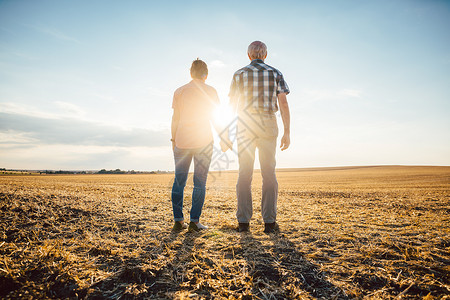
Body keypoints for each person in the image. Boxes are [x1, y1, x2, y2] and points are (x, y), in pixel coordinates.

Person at [227, 41, 291, 233]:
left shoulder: (239, 74)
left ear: (248, 56)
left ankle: (243, 222)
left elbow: (231, 105)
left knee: (244, 173)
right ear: (265, 55)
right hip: (268, 123)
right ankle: (270, 222)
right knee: (269, 173)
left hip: (245, 124)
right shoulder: (275, 73)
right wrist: (287, 131)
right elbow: (284, 104)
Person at [171, 59, 227, 232]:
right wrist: (223, 138)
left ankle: (178, 221)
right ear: (206, 74)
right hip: (203, 142)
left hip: (181, 141)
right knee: (199, 183)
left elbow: (175, 118)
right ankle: (194, 222)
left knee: (179, 181)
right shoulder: (211, 91)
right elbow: (215, 118)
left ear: (190, 73)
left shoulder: (179, 91)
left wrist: (173, 140)